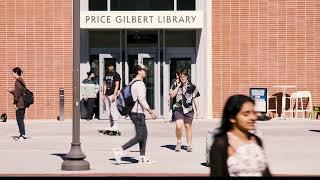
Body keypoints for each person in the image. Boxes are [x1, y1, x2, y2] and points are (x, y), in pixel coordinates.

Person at [210, 94, 271, 177]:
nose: (253, 118)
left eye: (254, 113)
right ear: (232, 117)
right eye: (246, 114)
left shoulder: (256, 140)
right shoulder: (222, 143)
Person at [112, 64, 157, 165]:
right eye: (144, 70)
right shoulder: (140, 84)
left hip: (134, 112)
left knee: (144, 134)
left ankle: (142, 157)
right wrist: (150, 111)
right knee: (140, 135)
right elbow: (141, 99)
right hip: (137, 113)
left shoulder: (133, 82)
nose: (146, 71)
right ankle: (119, 150)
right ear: (139, 71)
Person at [169, 69, 200, 152]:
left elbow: (196, 99)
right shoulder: (175, 84)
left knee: (188, 126)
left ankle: (189, 145)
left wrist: (198, 111)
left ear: (187, 76)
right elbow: (172, 95)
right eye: (181, 76)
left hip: (189, 109)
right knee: (179, 126)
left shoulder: (192, 87)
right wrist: (178, 86)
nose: (182, 78)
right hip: (178, 108)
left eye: (184, 76)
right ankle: (179, 142)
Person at [7, 67, 28, 140]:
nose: (12, 74)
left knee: (19, 119)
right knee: (21, 119)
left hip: (20, 103)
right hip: (23, 103)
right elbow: (19, 92)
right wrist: (12, 91)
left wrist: (15, 103)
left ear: (16, 73)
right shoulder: (21, 81)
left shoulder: (17, 82)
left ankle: (22, 134)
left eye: (13, 73)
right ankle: (22, 134)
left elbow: (17, 94)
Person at [103, 62, 121, 131]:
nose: (110, 67)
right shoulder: (106, 74)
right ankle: (111, 124)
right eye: (109, 66)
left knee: (113, 109)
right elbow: (105, 85)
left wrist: (114, 94)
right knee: (108, 110)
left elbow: (117, 85)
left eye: (111, 66)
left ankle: (116, 124)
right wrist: (103, 94)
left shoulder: (116, 75)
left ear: (113, 67)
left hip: (113, 94)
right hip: (107, 94)